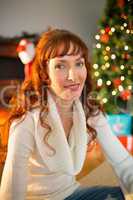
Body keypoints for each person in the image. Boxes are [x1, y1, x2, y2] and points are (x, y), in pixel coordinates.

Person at [0, 28, 133, 200]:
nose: (73, 76)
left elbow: (122, 161)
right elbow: (11, 191)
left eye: (79, 63)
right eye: (61, 65)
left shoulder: (89, 111)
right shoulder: (26, 121)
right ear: (44, 73)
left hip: (71, 193)